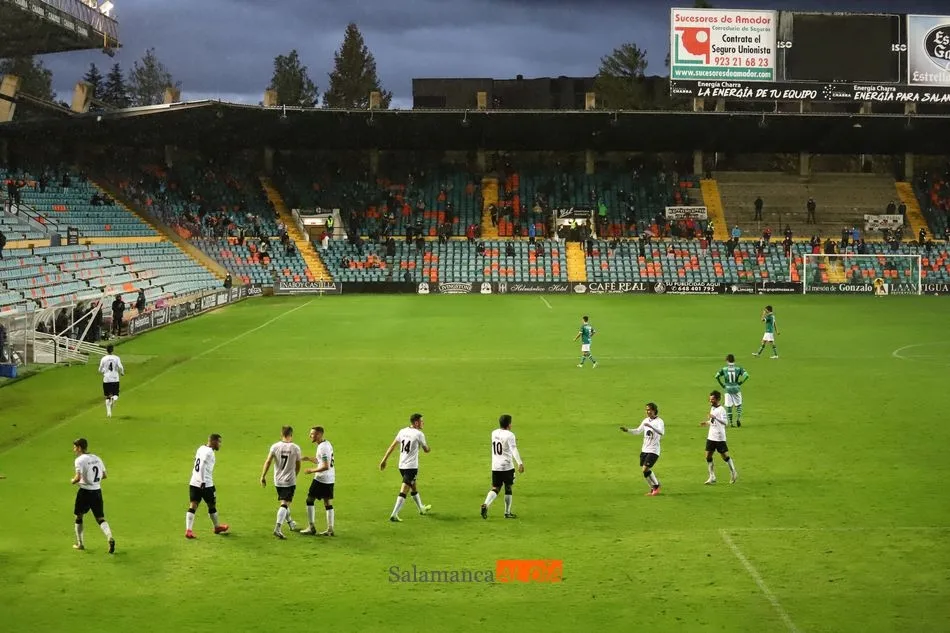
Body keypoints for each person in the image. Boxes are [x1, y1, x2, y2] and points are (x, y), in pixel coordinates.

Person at [379, 413, 431, 522]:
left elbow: (392, 446)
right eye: (422, 421)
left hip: (401, 466)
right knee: (404, 490)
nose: (423, 423)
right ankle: (394, 514)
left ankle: (421, 508)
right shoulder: (419, 434)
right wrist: (427, 448)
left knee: (413, 486)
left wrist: (384, 460)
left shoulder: (402, 431)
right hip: (411, 467)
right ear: (416, 423)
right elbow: (426, 450)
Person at [70, 438, 115, 554]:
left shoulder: (79, 460)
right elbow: (104, 475)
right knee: (100, 518)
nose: (74, 449)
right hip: (97, 491)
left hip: (84, 492)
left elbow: (78, 477)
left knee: (78, 516)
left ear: (79, 448)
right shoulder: (96, 458)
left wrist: (73, 481)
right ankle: (109, 537)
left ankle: (80, 544)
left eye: (75, 447)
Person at [259, 426, 302, 539]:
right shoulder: (295, 448)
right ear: (291, 434)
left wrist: (263, 476)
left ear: (281, 434)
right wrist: (294, 476)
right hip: (289, 481)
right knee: (285, 504)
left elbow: (268, 461)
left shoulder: (275, 446)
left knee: (284, 502)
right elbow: (298, 466)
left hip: (277, 480)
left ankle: (291, 523)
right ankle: (277, 528)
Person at [481, 414, 525, 519]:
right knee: (508, 487)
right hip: (507, 466)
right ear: (509, 424)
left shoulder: (494, 433)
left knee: (495, 488)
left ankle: (486, 504)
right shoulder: (510, 435)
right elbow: (514, 449)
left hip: (495, 466)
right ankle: (507, 512)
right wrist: (520, 463)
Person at [186, 434, 229, 539]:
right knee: (212, 505)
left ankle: (188, 530)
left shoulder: (201, 448)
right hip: (205, 484)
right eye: (219, 442)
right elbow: (203, 464)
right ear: (213, 441)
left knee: (193, 505)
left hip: (194, 481)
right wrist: (202, 481)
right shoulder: (209, 452)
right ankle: (217, 527)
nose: (220, 444)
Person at [620, 402, 665, 496]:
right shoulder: (645, 420)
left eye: (649, 410)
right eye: (646, 410)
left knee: (645, 469)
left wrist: (651, 426)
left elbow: (661, 433)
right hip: (645, 449)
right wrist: (627, 430)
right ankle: (653, 489)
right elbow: (637, 431)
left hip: (654, 450)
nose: (647, 411)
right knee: (645, 471)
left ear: (654, 410)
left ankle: (656, 486)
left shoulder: (659, 421)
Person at [301, 426, 335, 536]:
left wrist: (311, 470)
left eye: (312, 434)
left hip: (322, 478)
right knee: (327, 502)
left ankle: (311, 527)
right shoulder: (326, 444)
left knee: (309, 500)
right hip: (330, 478)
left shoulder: (322, 448)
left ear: (319, 435)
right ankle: (330, 529)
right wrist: (308, 458)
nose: (310, 436)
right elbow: (320, 461)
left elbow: (325, 466)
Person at [700, 391, 738, 485]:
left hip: (719, 437)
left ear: (717, 399)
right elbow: (712, 421)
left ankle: (733, 472)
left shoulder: (722, 410)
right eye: (710, 398)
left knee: (724, 456)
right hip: (711, 436)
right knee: (708, 455)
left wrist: (715, 418)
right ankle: (712, 476)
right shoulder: (712, 408)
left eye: (712, 399)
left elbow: (725, 423)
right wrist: (707, 422)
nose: (710, 400)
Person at [715, 354, 750, 427]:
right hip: (736, 388)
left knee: (729, 406)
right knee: (739, 405)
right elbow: (747, 375)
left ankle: (731, 423)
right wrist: (741, 382)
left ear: (727, 361)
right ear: (734, 360)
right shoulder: (738, 368)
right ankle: (738, 418)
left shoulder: (724, 369)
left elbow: (717, 376)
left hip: (728, 388)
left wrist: (722, 384)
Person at [97, 344, 124, 418]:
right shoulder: (116, 358)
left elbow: (100, 369)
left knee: (107, 396)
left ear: (106, 350)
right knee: (116, 395)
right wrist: (122, 372)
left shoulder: (103, 358)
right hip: (115, 378)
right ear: (113, 350)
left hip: (106, 379)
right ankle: (113, 399)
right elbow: (120, 366)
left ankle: (109, 413)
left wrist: (103, 371)